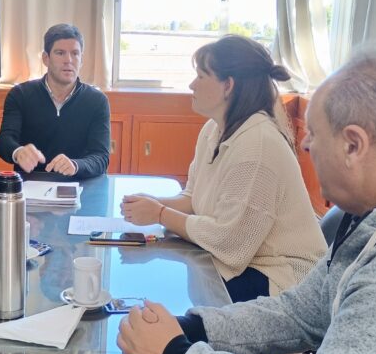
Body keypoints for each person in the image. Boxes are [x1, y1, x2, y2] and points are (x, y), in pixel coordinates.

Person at [117, 51, 376, 354]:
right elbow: (303, 312)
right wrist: (194, 328)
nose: (305, 143)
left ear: (353, 145)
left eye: (314, 133)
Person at [121, 35, 326, 302]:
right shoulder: (214, 129)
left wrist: (160, 214)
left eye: (201, 76)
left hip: (281, 281)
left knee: (169, 296)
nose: (192, 84)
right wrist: (153, 203)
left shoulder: (258, 145)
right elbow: (193, 199)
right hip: (245, 263)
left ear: (228, 85)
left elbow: (229, 244)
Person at [0, 23, 110, 178]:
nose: (68, 60)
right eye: (60, 53)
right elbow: (4, 141)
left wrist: (76, 165)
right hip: (31, 183)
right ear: (46, 58)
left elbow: (101, 157)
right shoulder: (20, 94)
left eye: (75, 53)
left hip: (79, 184)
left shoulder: (97, 101)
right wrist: (18, 152)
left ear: (81, 59)